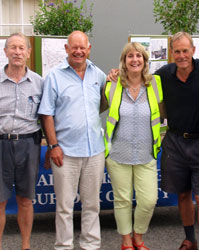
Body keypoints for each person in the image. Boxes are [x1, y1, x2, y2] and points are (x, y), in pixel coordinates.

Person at [38, 31, 107, 250]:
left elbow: (104, 104)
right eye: (74, 47)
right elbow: (46, 114)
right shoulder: (54, 76)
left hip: (94, 151)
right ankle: (64, 246)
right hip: (64, 152)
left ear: (89, 48)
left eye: (82, 47)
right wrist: (53, 146)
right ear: (66, 49)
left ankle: (91, 244)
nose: (78, 51)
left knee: (92, 204)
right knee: (65, 207)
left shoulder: (99, 75)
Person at [156, 32, 199, 250]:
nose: (181, 55)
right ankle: (190, 240)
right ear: (171, 53)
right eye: (177, 51)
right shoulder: (164, 74)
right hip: (175, 142)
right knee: (182, 195)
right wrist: (116, 75)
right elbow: (138, 80)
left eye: (185, 50)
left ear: (193, 50)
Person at [102, 42, 163, 250]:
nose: (135, 59)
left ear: (145, 61)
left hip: (146, 154)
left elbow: (163, 113)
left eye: (139, 56)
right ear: (124, 61)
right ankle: (127, 242)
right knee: (122, 201)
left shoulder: (155, 83)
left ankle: (138, 235)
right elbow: (97, 109)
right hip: (118, 154)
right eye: (130, 56)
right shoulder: (111, 85)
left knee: (148, 200)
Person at [0, 33, 43, 250]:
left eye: (21, 48)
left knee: (26, 200)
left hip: (28, 145)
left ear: (28, 52)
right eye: (13, 48)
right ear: (5, 51)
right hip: (1, 145)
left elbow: (46, 116)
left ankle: (25, 246)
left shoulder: (39, 83)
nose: (17, 52)